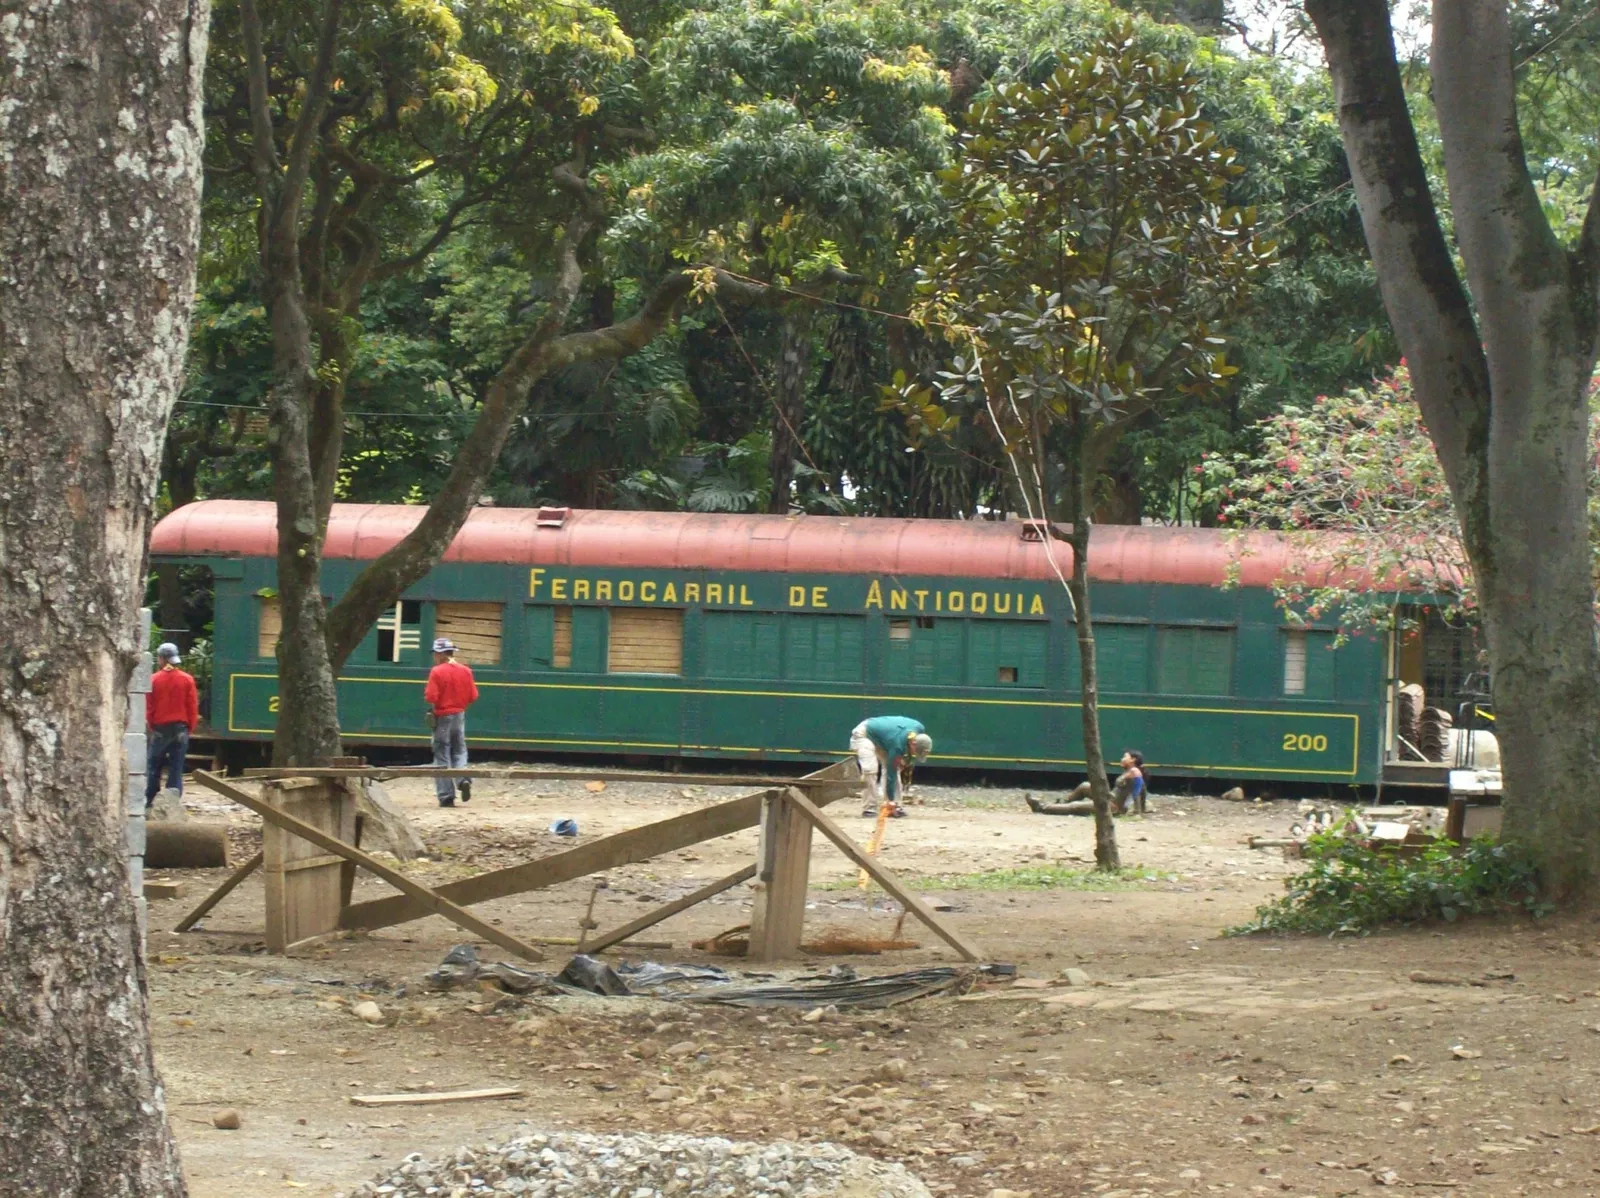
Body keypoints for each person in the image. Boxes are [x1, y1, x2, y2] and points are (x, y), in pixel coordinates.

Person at [425, 637, 479, 808]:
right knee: (460, 750)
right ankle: (463, 779)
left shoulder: (437, 671)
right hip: (459, 715)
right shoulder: (466, 671)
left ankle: (446, 796)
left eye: (435, 653)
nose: (434, 656)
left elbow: (431, 697)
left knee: (442, 755)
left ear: (440, 654)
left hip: (442, 716)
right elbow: (473, 696)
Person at [146, 642, 198, 807]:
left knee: (154, 766)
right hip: (180, 728)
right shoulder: (187, 679)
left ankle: (151, 801)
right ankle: (173, 801)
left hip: (160, 728)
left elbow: (149, 706)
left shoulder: (153, 679)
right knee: (176, 766)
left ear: (161, 659)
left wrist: (151, 725)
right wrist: (190, 726)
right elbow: (192, 706)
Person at [850, 715, 933, 818]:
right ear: (913, 744)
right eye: (916, 751)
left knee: (895, 766)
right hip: (864, 733)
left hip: (884, 737)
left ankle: (895, 805)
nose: (915, 754)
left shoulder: (919, 729)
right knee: (870, 769)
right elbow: (891, 774)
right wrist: (890, 799)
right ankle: (869, 807)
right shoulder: (897, 745)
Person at [1027, 750, 1146, 816]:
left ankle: (1041, 808)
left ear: (1133, 760)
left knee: (1076, 807)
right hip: (1109, 799)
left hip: (1112, 807)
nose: (1122, 759)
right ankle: (1060, 804)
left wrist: (1135, 812)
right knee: (1085, 786)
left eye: (1125, 757)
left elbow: (1137, 791)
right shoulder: (1130, 771)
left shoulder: (1134, 772)